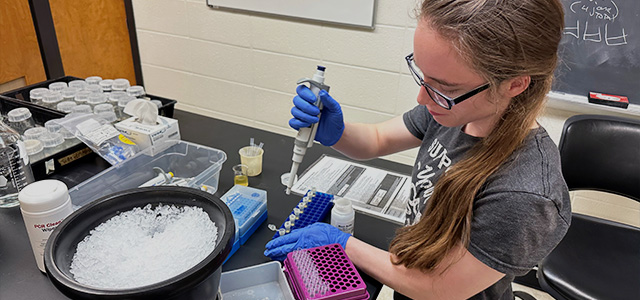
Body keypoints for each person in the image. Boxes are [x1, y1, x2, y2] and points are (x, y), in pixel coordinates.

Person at [264, 0, 572, 299]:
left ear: (514, 85)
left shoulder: (526, 196)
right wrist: (335, 132)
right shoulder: (456, 110)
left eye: (444, 87)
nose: (422, 98)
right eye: (421, 74)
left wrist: (341, 243)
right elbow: (377, 139)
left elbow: (438, 288)